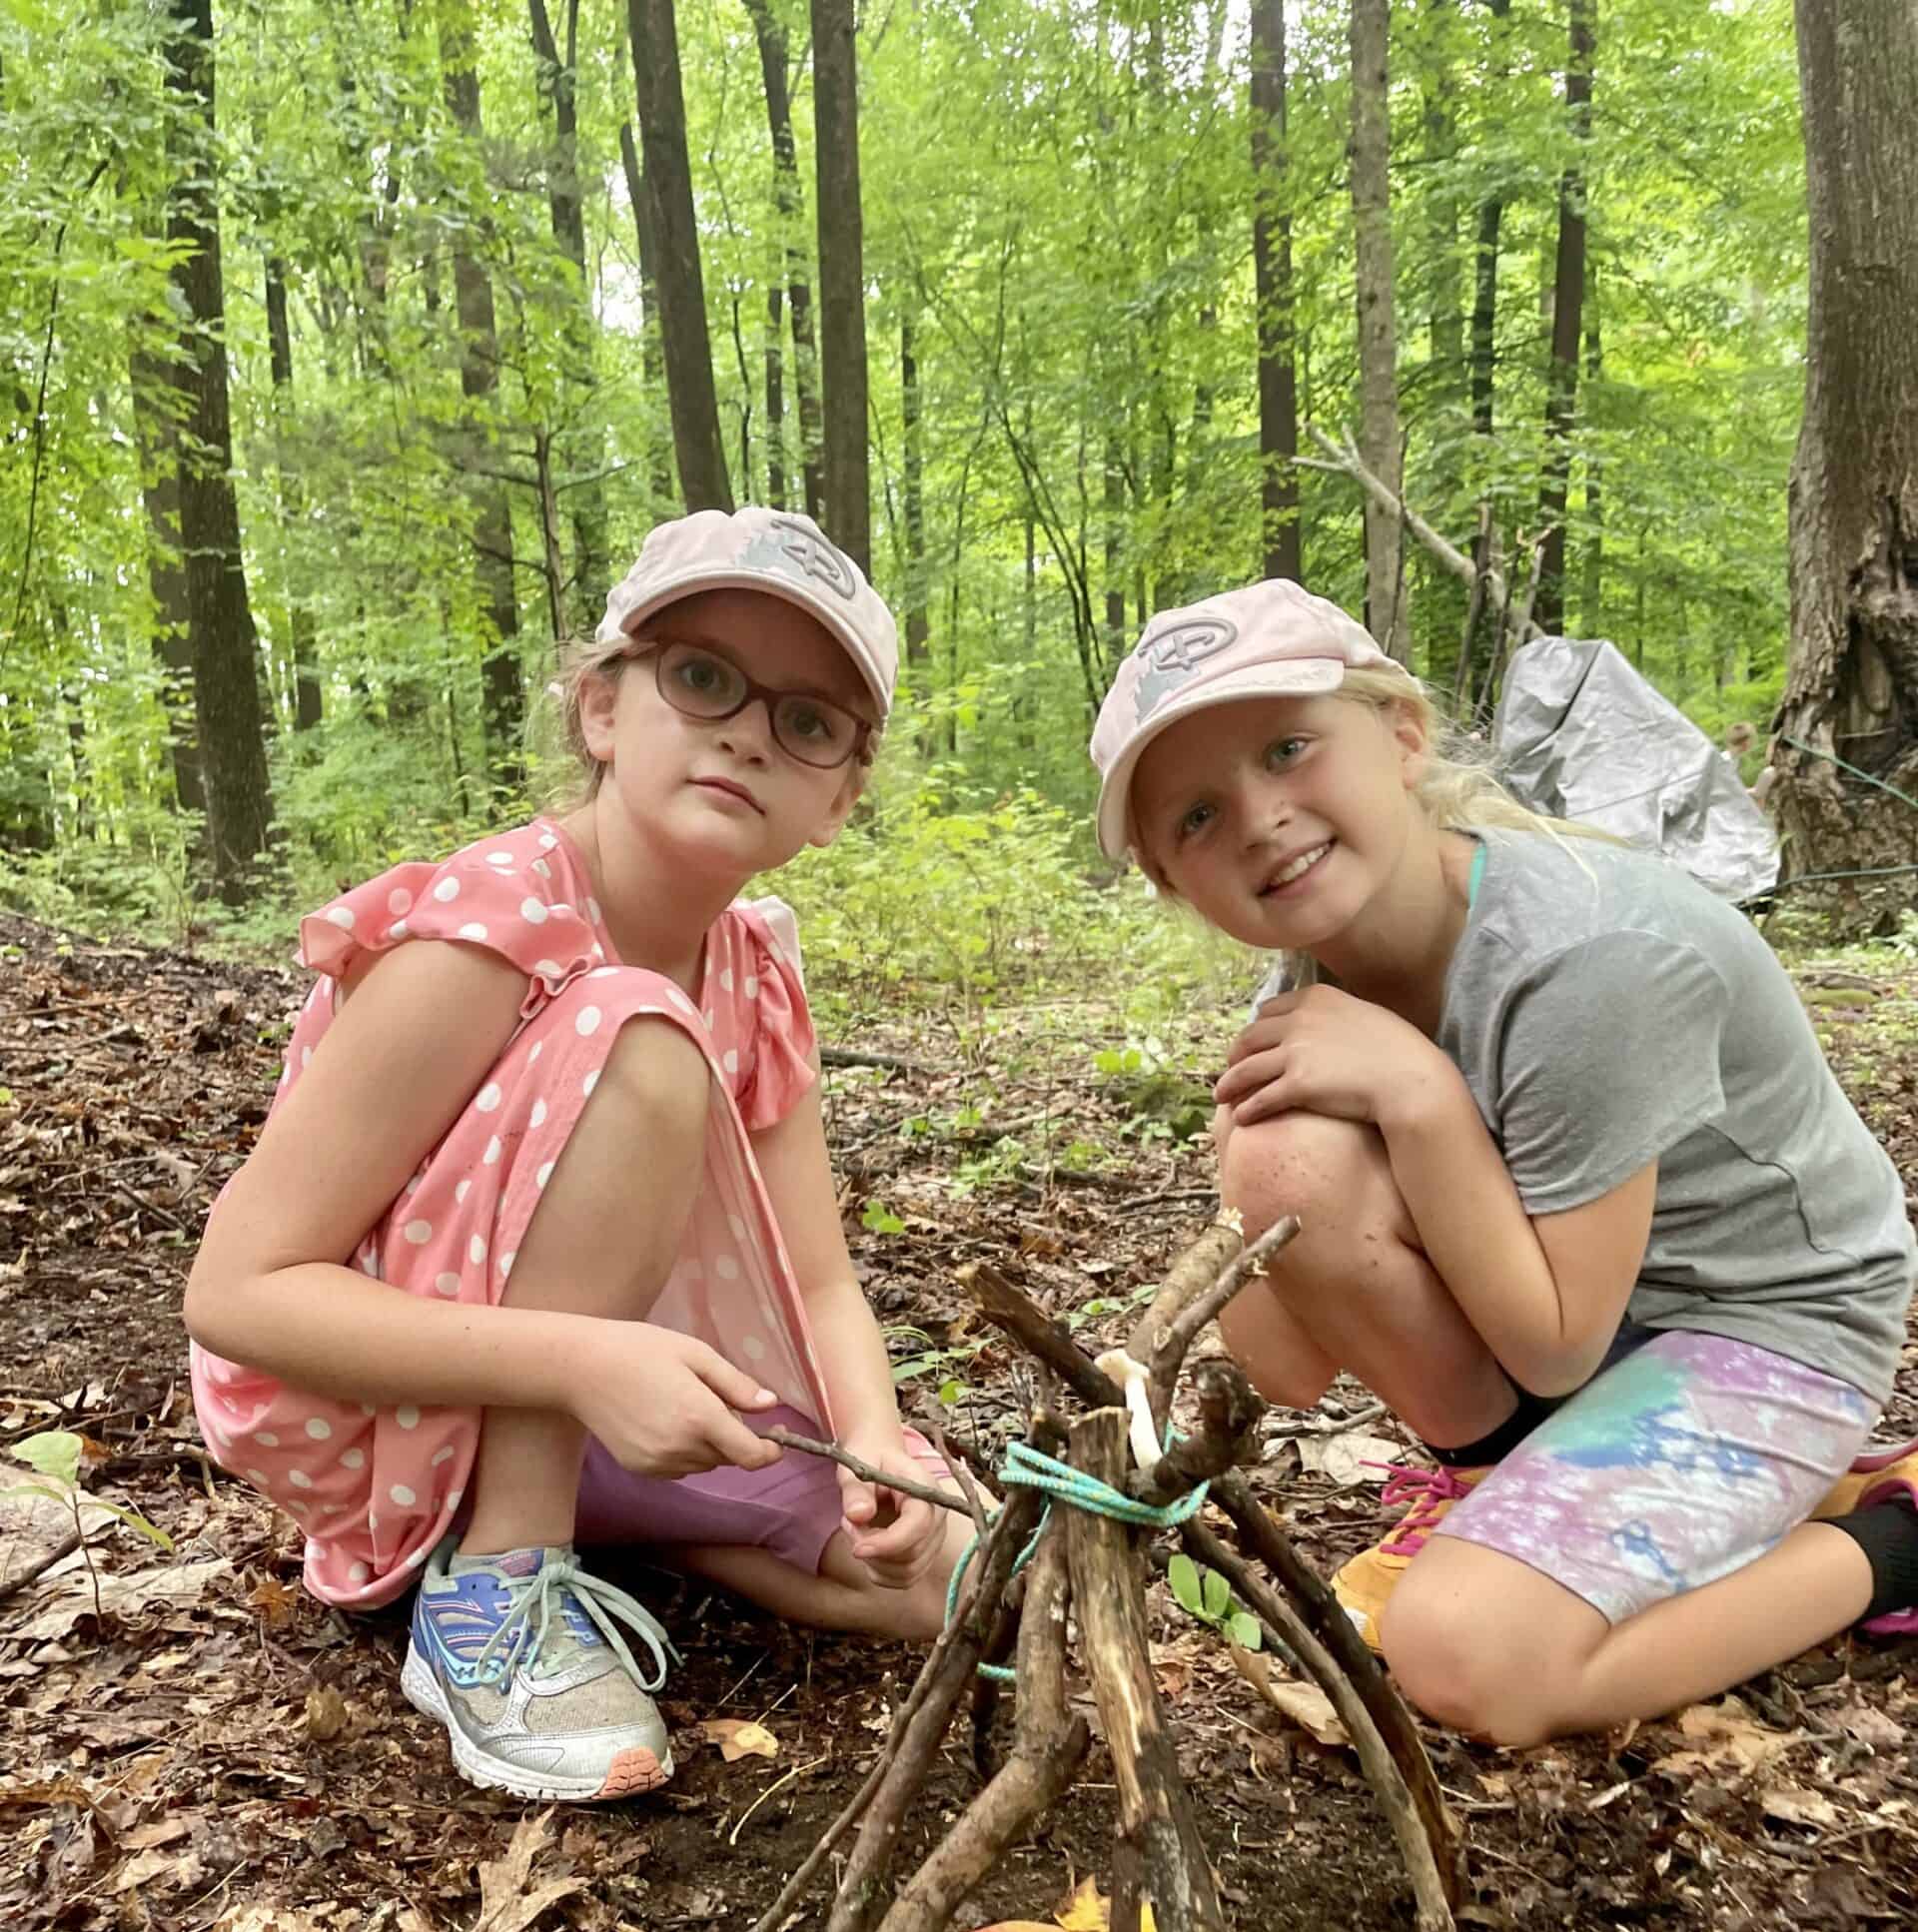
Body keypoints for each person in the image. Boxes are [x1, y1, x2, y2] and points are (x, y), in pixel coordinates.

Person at [187, 509, 970, 1803]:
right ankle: (495, 1590)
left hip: (601, 1387)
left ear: (839, 798)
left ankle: (639, 1537)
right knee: (638, 1033)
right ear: (603, 708)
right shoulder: (488, 937)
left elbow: (822, 1285)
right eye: (703, 676)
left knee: (962, 1577)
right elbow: (238, 1295)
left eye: (808, 721)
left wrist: (875, 1437)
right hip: (383, 1401)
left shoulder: (755, 970)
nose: (743, 731)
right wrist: (586, 1359)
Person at [1088, 580, 1918, 1748]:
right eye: (1196, 818)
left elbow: (1556, 1339)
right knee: (1283, 1145)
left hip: (1766, 1322)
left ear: (1403, 736)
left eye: (1289, 749)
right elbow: (1286, 1365)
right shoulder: (1313, 988)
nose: (1261, 818)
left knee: (1463, 1653)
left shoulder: (1589, 958)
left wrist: (1420, 1096)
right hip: (1583, 1314)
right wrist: (1241, 1207)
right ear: (1177, 885)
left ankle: (1883, 1545)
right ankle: (1515, 1489)